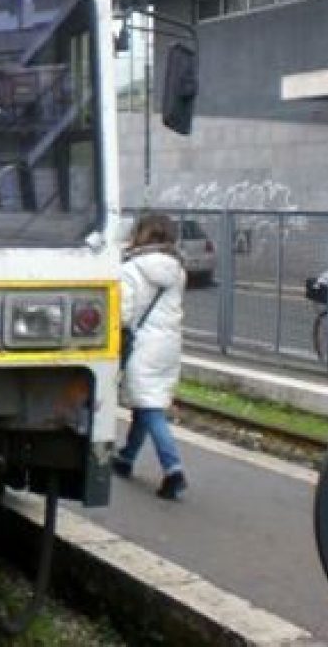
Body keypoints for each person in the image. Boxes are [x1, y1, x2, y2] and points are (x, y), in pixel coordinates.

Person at [111, 212, 189, 501]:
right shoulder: (177, 270)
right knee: (146, 403)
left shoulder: (131, 269)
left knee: (151, 409)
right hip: (169, 345)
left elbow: (124, 313)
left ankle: (173, 470)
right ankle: (127, 458)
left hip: (143, 344)